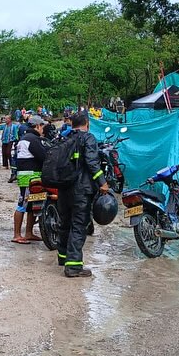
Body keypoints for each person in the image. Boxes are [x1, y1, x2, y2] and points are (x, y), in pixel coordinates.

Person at [57, 112, 110, 277]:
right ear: (87, 122)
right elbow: (92, 162)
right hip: (81, 190)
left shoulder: (64, 138)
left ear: (72, 123)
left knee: (65, 224)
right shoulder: (88, 138)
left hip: (63, 189)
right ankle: (73, 267)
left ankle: (63, 258)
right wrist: (102, 182)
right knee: (79, 225)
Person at [12, 116, 47, 244]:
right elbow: (43, 156)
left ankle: (28, 233)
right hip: (29, 177)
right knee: (23, 204)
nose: (43, 129)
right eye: (42, 126)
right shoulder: (33, 140)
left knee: (32, 205)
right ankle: (17, 235)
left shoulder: (24, 138)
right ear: (37, 126)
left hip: (26, 175)